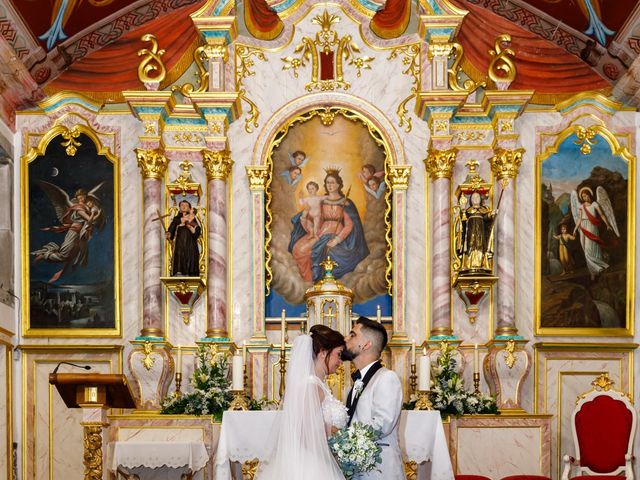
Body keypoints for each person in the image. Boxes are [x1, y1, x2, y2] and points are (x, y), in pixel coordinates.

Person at [257, 324, 347, 480]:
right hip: (311, 464)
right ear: (323, 353)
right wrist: (335, 438)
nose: (340, 361)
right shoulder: (312, 386)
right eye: (338, 354)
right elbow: (303, 433)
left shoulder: (318, 385)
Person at [341, 317, 405, 480]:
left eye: (352, 335)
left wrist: (342, 439)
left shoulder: (386, 378)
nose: (345, 338)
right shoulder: (355, 383)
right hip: (357, 470)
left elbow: (382, 425)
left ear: (367, 344)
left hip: (380, 471)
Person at [289, 170, 369, 282]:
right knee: (299, 249)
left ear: (338, 184)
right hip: (321, 232)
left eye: (332, 182)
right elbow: (316, 218)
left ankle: (317, 279)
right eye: (327, 183)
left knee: (328, 251)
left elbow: (349, 225)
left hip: (337, 234)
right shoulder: (321, 201)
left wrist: (337, 240)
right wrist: (305, 219)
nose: (329, 185)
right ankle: (308, 282)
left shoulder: (345, 202)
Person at [31, 182, 105, 284]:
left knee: (72, 256)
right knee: (64, 256)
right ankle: (45, 255)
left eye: (83, 197)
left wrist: (94, 212)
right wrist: (94, 213)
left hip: (78, 234)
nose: (81, 200)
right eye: (79, 198)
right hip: (73, 233)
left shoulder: (85, 207)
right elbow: (89, 220)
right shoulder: (79, 209)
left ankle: (54, 257)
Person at [571, 186, 619, 280]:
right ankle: (592, 271)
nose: (585, 198)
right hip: (583, 227)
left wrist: (608, 224)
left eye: (586, 195)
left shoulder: (595, 204)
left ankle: (599, 268)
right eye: (583, 196)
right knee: (585, 249)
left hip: (592, 226)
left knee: (591, 248)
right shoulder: (581, 206)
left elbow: (601, 215)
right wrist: (575, 229)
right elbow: (579, 219)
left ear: (590, 195)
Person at [459, 191, 495, 272]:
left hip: (481, 234)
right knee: (470, 248)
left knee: (481, 248)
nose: (475, 199)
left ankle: (482, 264)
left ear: (480, 199)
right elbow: (463, 221)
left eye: (477, 197)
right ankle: (468, 265)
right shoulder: (468, 211)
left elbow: (487, 218)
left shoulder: (483, 211)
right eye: (473, 197)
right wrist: (463, 210)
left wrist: (491, 215)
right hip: (470, 234)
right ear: (470, 200)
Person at [166, 200, 201, 276]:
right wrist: (169, 233)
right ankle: (179, 272)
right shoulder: (176, 219)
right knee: (179, 258)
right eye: (182, 205)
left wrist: (192, 229)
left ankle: (190, 273)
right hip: (180, 243)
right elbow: (172, 227)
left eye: (186, 205)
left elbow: (198, 230)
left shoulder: (193, 218)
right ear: (179, 207)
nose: (184, 206)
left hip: (190, 244)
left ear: (190, 208)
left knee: (190, 259)